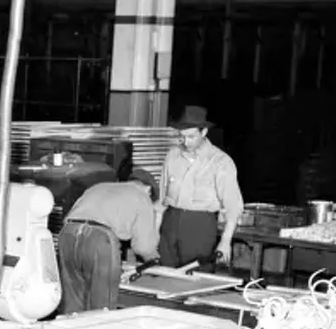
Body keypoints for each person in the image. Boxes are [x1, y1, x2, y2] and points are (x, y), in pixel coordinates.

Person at [58, 167, 159, 314]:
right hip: (99, 239)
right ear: (148, 189)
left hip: (68, 233)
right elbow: (143, 247)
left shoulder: (99, 187)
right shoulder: (142, 197)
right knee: (102, 304)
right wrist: (153, 260)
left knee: (72, 301)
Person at [158, 105, 244, 267]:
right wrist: (155, 233)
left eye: (191, 137)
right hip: (171, 221)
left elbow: (233, 206)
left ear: (204, 132)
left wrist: (225, 241)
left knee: (195, 276)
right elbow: (161, 200)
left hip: (200, 225)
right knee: (164, 274)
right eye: (181, 137)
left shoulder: (220, 162)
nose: (185, 141)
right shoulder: (172, 156)